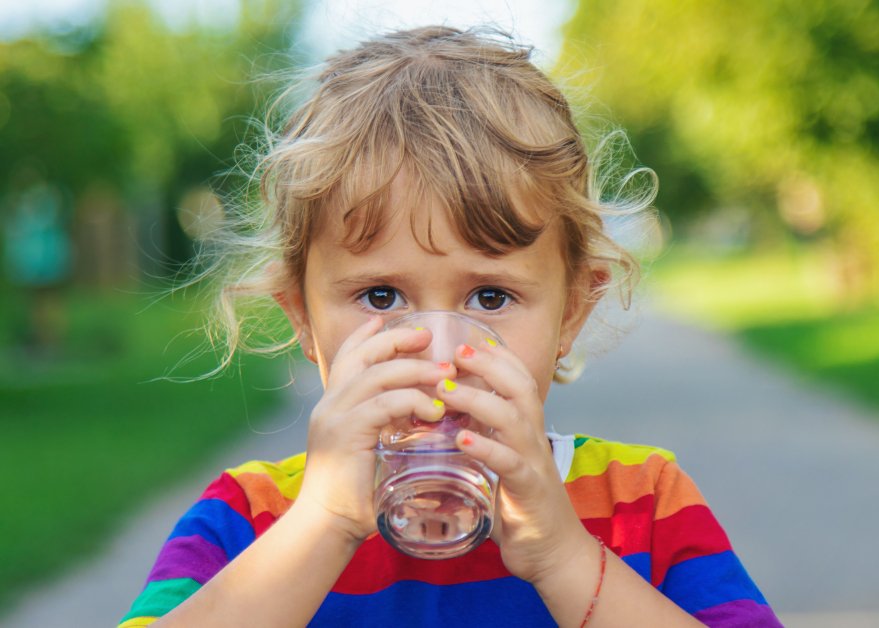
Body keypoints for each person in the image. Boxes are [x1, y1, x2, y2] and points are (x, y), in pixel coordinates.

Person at [119, 26, 782, 627]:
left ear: (571, 312)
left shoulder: (643, 504)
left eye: (491, 297)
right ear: (303, 315)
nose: (440, 355)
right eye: (380, 296)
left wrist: (562, 555)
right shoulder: (247, 519)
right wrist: (321, 524)